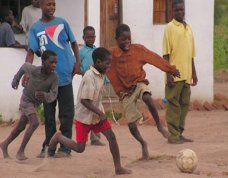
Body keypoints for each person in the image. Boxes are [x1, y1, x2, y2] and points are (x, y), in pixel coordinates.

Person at [48, 47, 131, 175]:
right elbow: (85, 101)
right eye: (107, 63)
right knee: (80, 148)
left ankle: (118, 167)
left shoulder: (101, 74)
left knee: (111, 137)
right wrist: (100, 113)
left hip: (96, 115)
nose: (109, 66)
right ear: (98, 62)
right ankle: (59, 137)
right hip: (85, 117)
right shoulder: (89, 77)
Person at [106, 24, 180, 160]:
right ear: (117, 40)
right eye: (123, 40)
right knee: (132, 126)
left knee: (147, 96)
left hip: (138, 83)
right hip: (124, 92)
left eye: (129, 39)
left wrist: (170, 69)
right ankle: (143, 143)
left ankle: (159, 125)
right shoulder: (112, 54)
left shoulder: (138, 50)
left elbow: (154, 58)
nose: (127, 42)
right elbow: (99, 59)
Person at [25, 0, 82, 158]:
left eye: (53, 4)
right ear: (41, 6)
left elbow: (74, 43)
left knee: (67, 114)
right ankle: (48, 147)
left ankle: (65, 148)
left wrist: (77, 63)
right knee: (49, 116)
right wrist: (26, 72)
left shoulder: (62, 23)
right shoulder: (36, 28)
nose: (51, 7)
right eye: (48, 4)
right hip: (47, 80)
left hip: (65, 77)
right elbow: (31, 52)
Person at [0, 50, 58, 160]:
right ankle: (20, 151)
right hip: (26, 100)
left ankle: (4, 144)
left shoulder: (54, 77)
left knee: (20, 127)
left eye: (55, 63)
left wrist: (45, 95)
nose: (54, 65)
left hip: (35, 104)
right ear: (43, 61)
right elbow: (24, 66)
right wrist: (16, 80)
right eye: (51, 62)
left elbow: (53, 94)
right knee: (35, 122)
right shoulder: (33, 70)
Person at [162, 0, 198, 144]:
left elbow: (191, 54)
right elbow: (166, 54)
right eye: (177, 10)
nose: (180, 12)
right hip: (174, 75)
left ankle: (179, 133)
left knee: (184, 105)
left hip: (187, 74)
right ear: (172, 11)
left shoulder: (188, 28)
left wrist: (194, 73)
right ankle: (173, 135)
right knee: (173, 105)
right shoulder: (169, 28)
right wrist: (168, 73)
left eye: (182, 10)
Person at [80, 26, 104, 146]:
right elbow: (77, 68)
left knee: (97, 108)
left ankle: (95, 137)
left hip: (97, 84)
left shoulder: (97, 50)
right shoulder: (81, 52)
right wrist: (85, 73)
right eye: (88, 37)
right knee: (87, 110)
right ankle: (83, 137)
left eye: (92, 37)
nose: (90, 39)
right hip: (88, 84)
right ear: (83, 38)